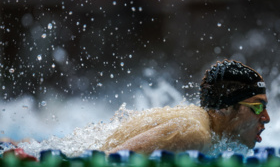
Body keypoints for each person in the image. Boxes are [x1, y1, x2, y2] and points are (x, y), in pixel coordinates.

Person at [101, 59, 270, 154]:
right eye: (257, 107)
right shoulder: (193, 133)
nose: (266, 118)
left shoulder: (205, 129)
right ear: (224, 106)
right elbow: (112, 159)